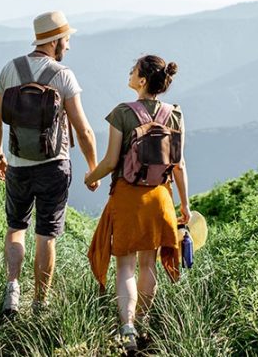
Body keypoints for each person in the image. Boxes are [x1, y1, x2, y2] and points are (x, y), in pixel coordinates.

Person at [0, 10, 99, 317]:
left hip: (18, 164)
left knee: (15, 228)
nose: (68, 45)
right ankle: (40, 302)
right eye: (66, 39)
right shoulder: (63, 76)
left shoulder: (10, 69)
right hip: (54, 165)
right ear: (55, 41)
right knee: (46, 235)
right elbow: (83, 129)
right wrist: (93, 168)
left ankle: (12, 289)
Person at [84, 55, 190, 352]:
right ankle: (142, 320)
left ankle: (127, 327)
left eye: (133, 70)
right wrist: (185, 204)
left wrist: (89, 177)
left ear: (142, 80)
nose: (129, 73)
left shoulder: (122, 113)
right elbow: (179, 164)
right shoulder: (175, 114)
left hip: (129, 196)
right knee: (148, 263)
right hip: (160, 196)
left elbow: (110, 161)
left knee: (125, 266)